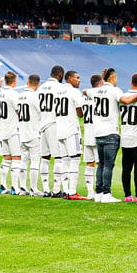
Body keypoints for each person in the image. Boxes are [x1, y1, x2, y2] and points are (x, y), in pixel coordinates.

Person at [85, 68, 137, 203]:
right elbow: (126, 101)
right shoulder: (115, 91)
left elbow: (85, 91)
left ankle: (99, 192)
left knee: (101, 164)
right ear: (113, 77)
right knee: (108, 165)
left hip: (97, 133)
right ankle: (107, 194)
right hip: (110, 132)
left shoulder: (95, 91)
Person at [38, 65, 66, 197]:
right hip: (54, 123)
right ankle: (56, 189)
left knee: (45, 157)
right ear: (60, 75)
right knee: (58, 157)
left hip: (42, 124)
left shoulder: (40, 88)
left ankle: (45, 189)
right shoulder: (60, 88)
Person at [56, 70, 84, 199]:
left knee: (64, 161)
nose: (79, 80)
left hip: (59, 130)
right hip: (71, 130)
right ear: (69, 78)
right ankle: (72, 192)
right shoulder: (74, 92)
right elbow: (80, 113)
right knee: (75, 159)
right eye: (77, 78)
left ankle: (66, 190)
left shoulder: (57, 92)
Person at [17, 74, 43, 196]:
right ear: (38, 84)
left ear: (27, 82)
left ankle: (23, 188)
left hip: (22, 132)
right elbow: (41, 113)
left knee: (23, 160)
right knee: (35, 161)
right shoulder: (35, 97)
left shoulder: (20, 96)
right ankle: (33, 188)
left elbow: (17, 111)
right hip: (33, 132)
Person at [0, 71, 22, 195]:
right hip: (13, 129)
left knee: (6, 158)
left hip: (3, 129)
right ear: (15, 80)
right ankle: (15, 187)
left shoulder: (0, 94)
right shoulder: (14, 94)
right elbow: (19, 111)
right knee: (17, 157)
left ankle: (3, 185)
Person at [121, 73, 137, 201]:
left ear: (131, 83)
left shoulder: (123, 96)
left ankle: (127, 195)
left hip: (125, 136)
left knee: (126, 168)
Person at [81, 74, 103, 200]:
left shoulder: (85, 97)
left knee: (90, 163)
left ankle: (90, 192)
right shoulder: (98, 96)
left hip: (87, 133)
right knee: (100, 163)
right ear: (100, 84)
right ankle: (99, 191)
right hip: (97, 133)